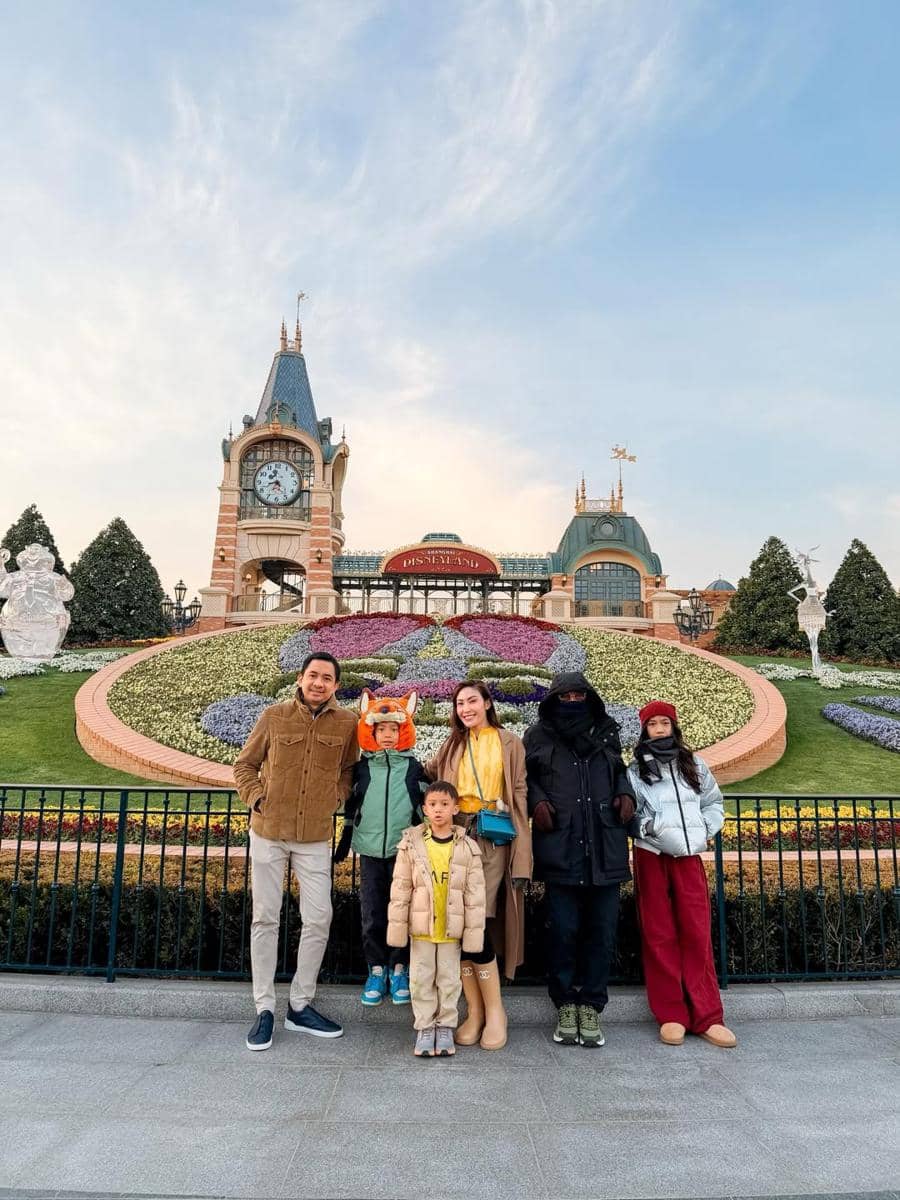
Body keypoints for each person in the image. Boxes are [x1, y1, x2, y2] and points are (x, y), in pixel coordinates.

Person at [234, 651, 358, 1051]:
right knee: (265, 919)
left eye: (327, 678)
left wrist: (334, 797)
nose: (319, 683)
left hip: (314, 838)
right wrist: (257, 799)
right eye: (312, 675)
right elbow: (244, 766)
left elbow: (350, 771)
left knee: (319, 918)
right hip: (268, 832)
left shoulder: (348, 723)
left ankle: (301, 1004)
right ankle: (264, 1008)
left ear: (336, 685)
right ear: (301, 679)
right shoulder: (274, 716)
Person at [523, 671, 635, 1048]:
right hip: (561, 847)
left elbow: (619, 769)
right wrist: (537, 801)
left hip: (604, 846)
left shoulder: (605, 730)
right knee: (563, 931)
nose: (573, 701)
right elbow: (527, 778)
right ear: (554, 698)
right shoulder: (538, 735)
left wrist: (625, 794)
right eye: (566, 696)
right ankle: (565, 1002)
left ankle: (591, 1004)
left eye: (578, 695)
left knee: (601, 933)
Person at [426, 680, 531, 1051]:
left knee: (479, 918)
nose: (465, 708)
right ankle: (476, 1012)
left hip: (492, 836)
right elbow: (431, 776)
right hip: (456, 836)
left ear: (487, 702)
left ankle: (496, 1011)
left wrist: (523, 850)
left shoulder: (509, 742)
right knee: (458, 921)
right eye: (459, 703)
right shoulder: (453, 743)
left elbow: (519, 793)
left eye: (472, 700)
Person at [628, 700, 736, 1048]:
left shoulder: (695, 764)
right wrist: (652, 827)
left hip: (689, 857)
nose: (660, 729)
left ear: (674, 727)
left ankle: (707, 1015)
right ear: (644, 730)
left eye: (665, 723)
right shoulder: (635, 770)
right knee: (659, 934)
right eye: (653, 724)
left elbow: (714, 802)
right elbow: (630, 813)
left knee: (696, 932)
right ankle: (671, 1012)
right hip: (652, 855)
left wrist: (706, 828)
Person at [332, 689, 426, 1007]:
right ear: (371, 732)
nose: (387, 735)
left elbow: (425, 807)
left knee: (402, 913)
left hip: (404, 853)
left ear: (403, 731)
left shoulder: (413, 768)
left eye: (393, 729)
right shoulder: (362, 768)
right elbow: (349, 808)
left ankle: (399, 968)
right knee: (373, 912)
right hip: (371, 850)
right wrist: (344, 843)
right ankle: (376, 969)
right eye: (381, 729)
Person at [387, 781, 486, 1057]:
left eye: (444, 804)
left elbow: (475, 895)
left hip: (450, 929)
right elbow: (401, 887)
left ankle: (445, 1026)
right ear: (424, 810)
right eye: (432, 805)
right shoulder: (412, 845)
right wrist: (397, 927)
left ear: (456, 808)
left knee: (449, 980)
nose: (439, 810)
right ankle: (425, 1027)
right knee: (420, 979)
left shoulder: (468, 847)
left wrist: (472, 933)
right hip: (422, 930)